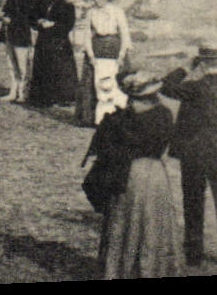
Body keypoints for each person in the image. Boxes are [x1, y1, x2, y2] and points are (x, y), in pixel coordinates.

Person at [82, 72, 181, 278]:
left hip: (126, 175)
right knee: (152, 223)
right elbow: (164, 143)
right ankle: (152, 269)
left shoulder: (117, 119)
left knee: (125, 223)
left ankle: (121, 269)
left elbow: (104, 152)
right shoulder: (163, 115)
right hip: (154, 174)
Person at [161, 42, 217, 266]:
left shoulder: (194, 88)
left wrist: (185, 68)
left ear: (202, 63)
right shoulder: (198, 87)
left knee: (193, 201)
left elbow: (165, 86)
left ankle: (194, 253)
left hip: (194, 152)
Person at [77, 0, 131, 128]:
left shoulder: (117, 11)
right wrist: (90, 55)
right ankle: (93, 118)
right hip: (97, 47)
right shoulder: (91, 12)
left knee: (114, 80)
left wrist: (121, 55)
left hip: (114, 46)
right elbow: (87, 34)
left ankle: (117, 117)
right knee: (93, 81)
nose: (96, 1)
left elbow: (124, 33)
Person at [26, 0, 79, 109]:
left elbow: (68, 25)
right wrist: (39, 22)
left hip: (59, 42)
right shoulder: (41, 3)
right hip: (43, 41)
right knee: (43, 68)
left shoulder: (68, 7)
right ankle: (43, 98)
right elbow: (31, 18)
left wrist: (53, 25)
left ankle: (62, 98)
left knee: (60, 69)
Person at [0, 0, 37, 102]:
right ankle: (13, 92)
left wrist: (10, 20)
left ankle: (23, 93)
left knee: (22, 66)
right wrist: (1, 15)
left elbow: (28, 18)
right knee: (12, 64)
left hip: (21, 35)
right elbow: (6, 12)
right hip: (10, 34)